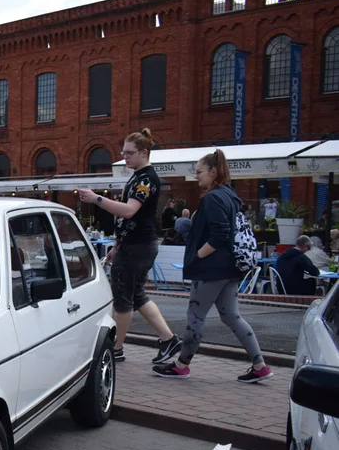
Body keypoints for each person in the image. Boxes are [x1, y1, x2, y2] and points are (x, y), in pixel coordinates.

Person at [153, 150, 272, 383]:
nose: (195, 176)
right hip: (230, 268)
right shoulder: (230, 195)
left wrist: (197, 255)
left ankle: (181, 365)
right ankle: (260, 365)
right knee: (231, 315)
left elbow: (219, 235)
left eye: (199, 172)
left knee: (195, 315)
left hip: (212, 269)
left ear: (213, 172)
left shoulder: (214, 198)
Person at [78, 128, 180, 364]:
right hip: (135, 244)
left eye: (129, 152)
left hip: (136, 246)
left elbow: (129, 211)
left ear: (144, 152)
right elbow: (131, 217)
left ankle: (116, 348)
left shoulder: (145, 179)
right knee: (136, 295)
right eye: (124, 152)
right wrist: (117, 243)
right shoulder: (140, 176)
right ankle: (168, 339)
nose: (125, 157)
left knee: (123, 298)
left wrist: (97, 199)